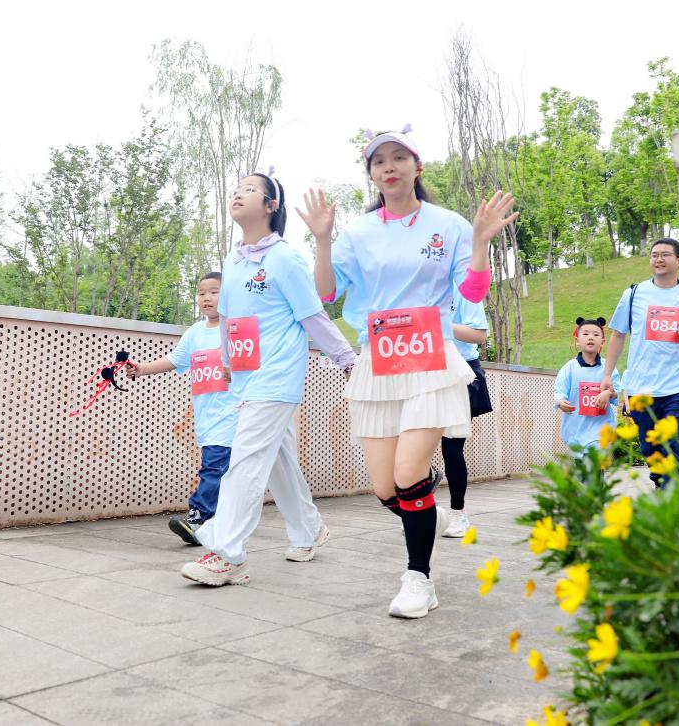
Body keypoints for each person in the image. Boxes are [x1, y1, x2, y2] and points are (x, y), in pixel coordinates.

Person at [299, 125, 517, 619]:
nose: (389, 167)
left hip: (431, 358)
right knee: (386, 487)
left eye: (399, 157)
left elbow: (473, 293)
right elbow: (327, 292)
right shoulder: (358, 232)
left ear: (417, 167)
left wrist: (480, 243)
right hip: (379, 361)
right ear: (372, 174)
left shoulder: (449, 224)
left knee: (407, 473)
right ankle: (423, 504)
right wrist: (323, 241)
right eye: (379, 161)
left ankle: (419, 578)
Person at [180, 170, 357, 586]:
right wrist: (227, 361)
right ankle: (309, 529)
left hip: (277, 377)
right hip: (245, 377)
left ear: (270, 206)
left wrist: (348, 359)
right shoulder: (233, 261)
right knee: (279, 462)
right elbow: (228, 319)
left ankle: (228, 554)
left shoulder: (285, 259)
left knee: (244, 461)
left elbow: (312, 315)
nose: (238, 194)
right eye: (237, 189)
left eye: (250, 190)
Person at [127, 273, 237, 545]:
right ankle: (222, 523)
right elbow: (175, 359)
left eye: (214, 292)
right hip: (206, 416)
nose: (206, 298)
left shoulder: (235, 329)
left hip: (233, 414)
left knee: (213, 468)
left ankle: (198, 519)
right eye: (201, 293)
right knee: (224, 472)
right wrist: (142, 369)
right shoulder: (195, 333)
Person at [595, 238, 679, 488]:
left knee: (673, 442)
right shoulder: (634, 294)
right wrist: (607, 374)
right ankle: (661, 483)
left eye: (665, 254)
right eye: (654, 255)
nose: (659, 259)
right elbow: (618, 334)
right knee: (650, 446)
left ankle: (672, 494)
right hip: (642, 386)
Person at [440, 291, 493, 537]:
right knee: (416, 447)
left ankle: (458, 513)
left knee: (451, 448)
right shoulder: (418, 284)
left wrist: (434, 323)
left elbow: (479, 335)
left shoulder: (463, 289)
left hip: (461, 370)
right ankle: (420, 510)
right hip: (424, 369)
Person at [552, 317, 622, 455]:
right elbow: (559, 391)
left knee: (595, 464)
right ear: (577, 340)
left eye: (596, 334)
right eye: (585, 334)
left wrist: (608, 393)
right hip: (575, 429)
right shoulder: (569, 368)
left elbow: (617, 394)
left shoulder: (609, 368)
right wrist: (560, 402)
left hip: (601, 430)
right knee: (582, 466)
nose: (591, 337)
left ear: (602, 341)